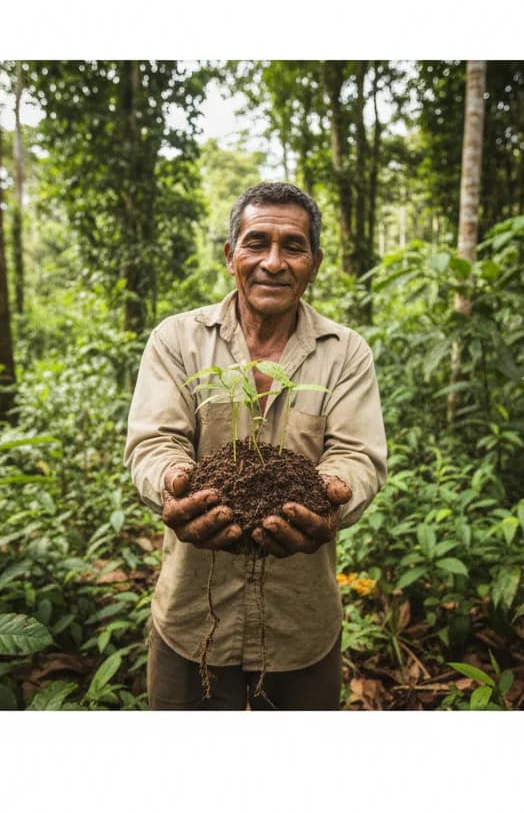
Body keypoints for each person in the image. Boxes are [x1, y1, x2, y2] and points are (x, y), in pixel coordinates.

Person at [124, 181, 387, 710]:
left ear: (314, 263)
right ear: (230, 256)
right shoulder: (178, 340)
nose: (273, 262)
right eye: (256, 243)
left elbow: (357, 455)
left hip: (301, 624)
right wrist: (175, 480)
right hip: (192, 617)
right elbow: (156, 441)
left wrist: (333, 494)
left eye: (293, 247)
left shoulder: (345, 351)